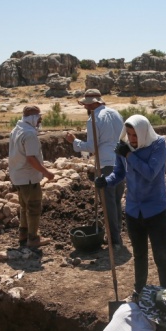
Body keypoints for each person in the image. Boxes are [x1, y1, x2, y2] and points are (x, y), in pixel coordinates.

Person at [95, 115, 166, 297]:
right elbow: (119, 173)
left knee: (161, 257)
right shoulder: (124, 147)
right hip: (133, 211)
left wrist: (129, 155)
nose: (132, 139)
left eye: (135, 135)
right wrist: (105, 181)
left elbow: (150, 173)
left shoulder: (159, 145)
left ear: (143, 132)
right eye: (129, 135)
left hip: (155, 211)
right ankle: (138, 291)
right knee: (139, 255)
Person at [66, 89, 125, 249]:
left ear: (92, 104)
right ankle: (116, 234)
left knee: (108, 203)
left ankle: (114, 240)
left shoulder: (94, 118)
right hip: (121, 162)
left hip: (106, 164)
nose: (85, 107)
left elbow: (92, 147)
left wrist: (75, 142)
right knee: (116, 201)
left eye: (86, 105)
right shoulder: (116, 114)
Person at [8, 105, 55, 248]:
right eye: (39, 118)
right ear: (33, 118)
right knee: (34, 207)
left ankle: (23, 234)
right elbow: (31, 159)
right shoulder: (29, 134)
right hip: (28, 177)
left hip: (18, 175)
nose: (40, 120)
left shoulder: (16, 129)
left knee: (24, 206)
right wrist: (46, 173)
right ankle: (33, 239)